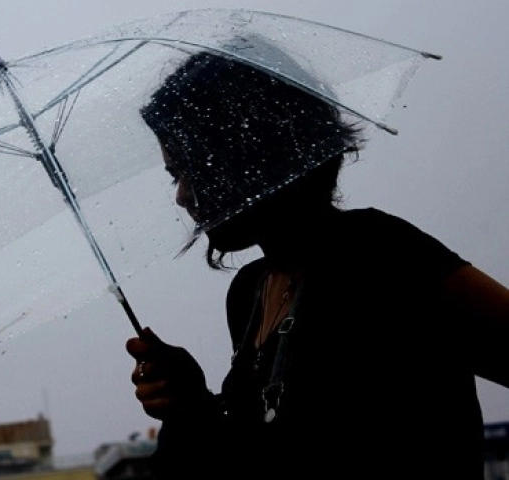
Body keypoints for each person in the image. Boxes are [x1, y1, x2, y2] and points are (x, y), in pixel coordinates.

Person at [125, 45, 509, 479]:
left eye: (194, 166)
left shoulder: (380, 254)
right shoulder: (251, 292)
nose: (182, 195)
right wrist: (191, 403)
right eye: (175, 175)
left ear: (251, 149)